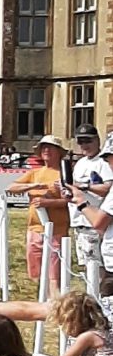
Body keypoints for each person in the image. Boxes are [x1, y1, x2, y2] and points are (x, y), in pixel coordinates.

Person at [8, 134, 71, 287]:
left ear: (58, 151)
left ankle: (54, 301)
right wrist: (32, 186)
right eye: (44, 148)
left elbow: (72, 201)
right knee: (35, 272)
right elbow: (11, 188)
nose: (46, 150)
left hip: (57, 229)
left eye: (50, 147)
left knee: (54, 274)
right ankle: (42, 298)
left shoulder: (65, 174)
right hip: (34, 228)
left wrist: (48, 202)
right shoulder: (35, 173)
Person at [70, 127, 112, 299]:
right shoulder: (80, 163)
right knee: (88, 265)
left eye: (88, 140)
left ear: (97, 140)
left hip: (95, 223)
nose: (84, 145)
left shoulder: (102, 164)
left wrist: (84, 191)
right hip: (80, 221)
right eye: (80, 141)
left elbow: (107, 188)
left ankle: (97, 301)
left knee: (98, 269)